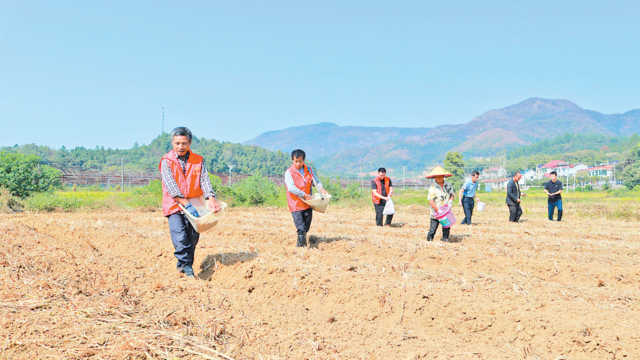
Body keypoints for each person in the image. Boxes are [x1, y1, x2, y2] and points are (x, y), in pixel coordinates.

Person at [160, 127, 222, 278]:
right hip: (175, 204)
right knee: (180, 236)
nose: (180, 147)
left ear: (190, 143)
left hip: (195, 203)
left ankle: (185, 264)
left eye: (184, 143)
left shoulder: (198, 160)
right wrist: (184, 203)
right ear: (172, 143)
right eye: (177, 143)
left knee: (192, 237)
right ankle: (186, 267)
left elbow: (204, 180)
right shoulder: (166, 161)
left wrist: (211, 198)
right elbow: (171, 186)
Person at [284, 149, 329, 247]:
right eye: (296, 161)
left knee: (306, 226)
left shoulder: (309, 170)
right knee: (301, 227)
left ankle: (300, 242)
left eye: (300, 161)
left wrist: (321, 189)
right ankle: (301, 248)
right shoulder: (289, 172)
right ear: (292, 160)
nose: (298, 163)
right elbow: (291, 188)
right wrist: (304, 195)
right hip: (295, 203)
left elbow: (315, 182)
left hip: (308, 203)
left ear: (303, 160)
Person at [426, 166, 455, 242]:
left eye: (440, 176)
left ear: (443, 176)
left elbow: (451, 194)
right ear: (434, 177)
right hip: (436, 212)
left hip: (446, 210)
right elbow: (431, 201)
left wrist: (450, 200)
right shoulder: (433, 187)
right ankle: (429, 240)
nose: (438, 178)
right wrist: (438, 210)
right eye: (437, 177)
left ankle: (445, 239)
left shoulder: (448, 184)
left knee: (446, 227)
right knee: (433, 228)